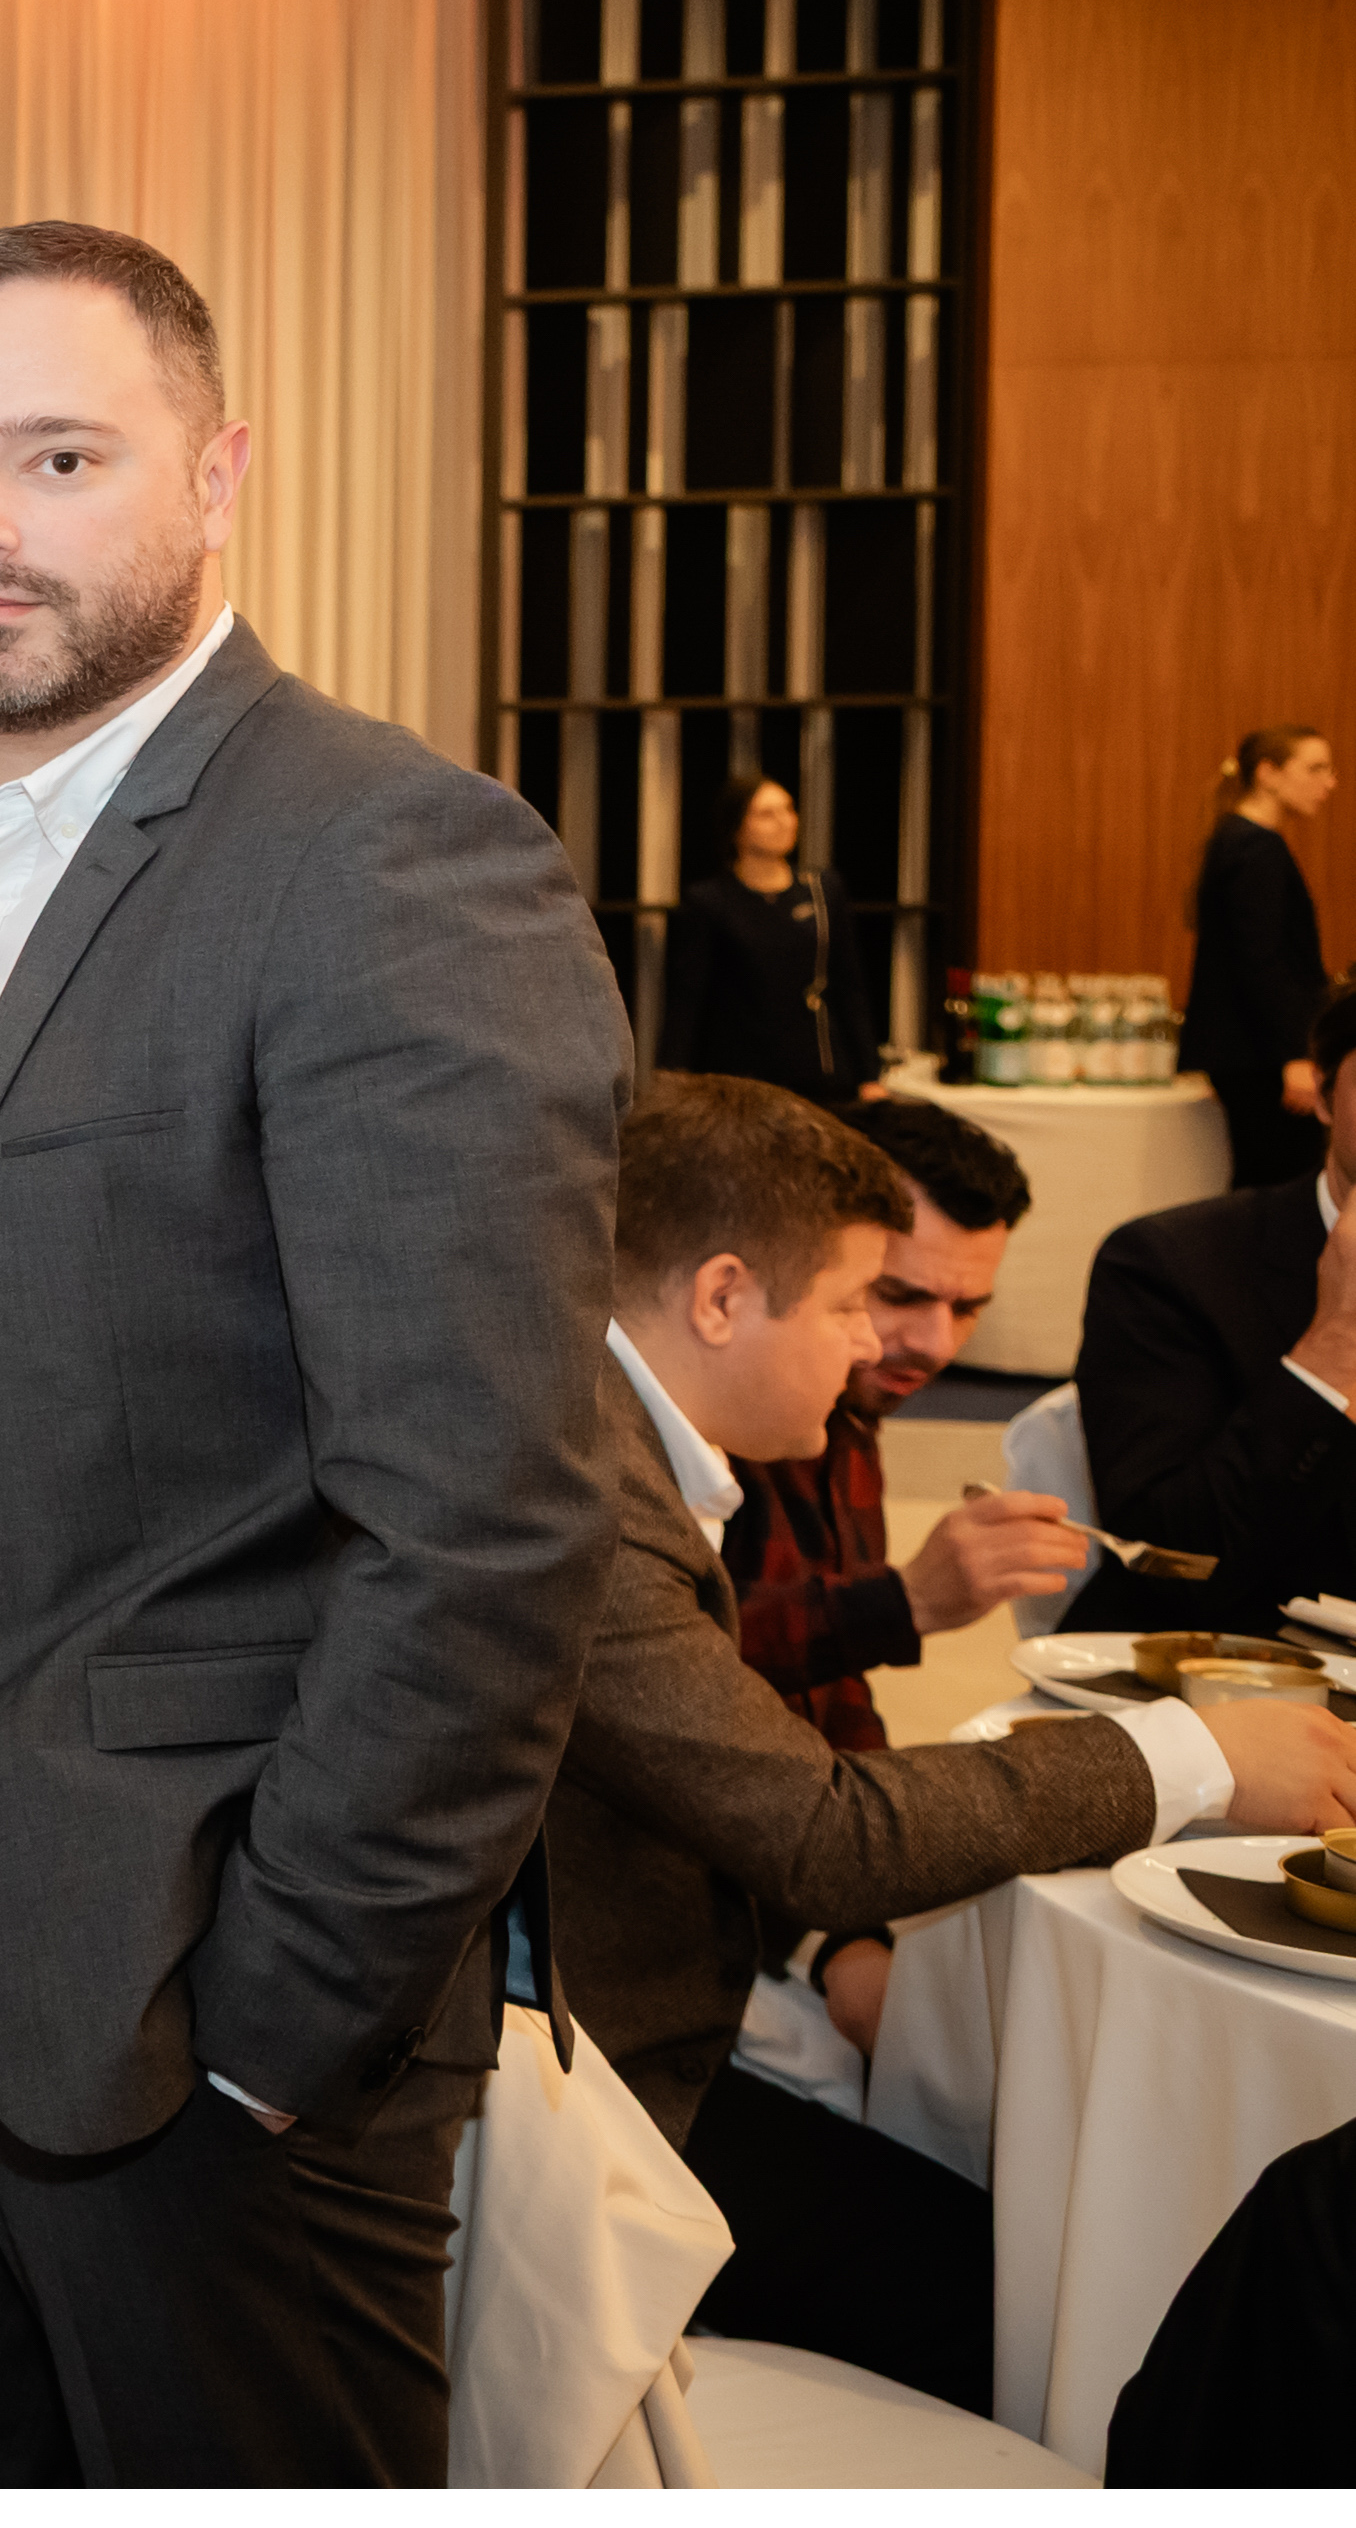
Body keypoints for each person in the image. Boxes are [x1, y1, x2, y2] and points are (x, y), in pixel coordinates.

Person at [0, 219, 626, 2486]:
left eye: (55, 456)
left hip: (188, 1989)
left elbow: (481, 1528)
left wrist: (281, 2016)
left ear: (215, 473)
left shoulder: (381, 860)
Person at [551, 1073, 1356, 2409]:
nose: (880, 1346)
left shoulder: (639, 1444)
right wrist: (1199, 1755)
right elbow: (818, 1828)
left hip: (632, 2032)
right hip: (583, 2098)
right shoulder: (589, 1496)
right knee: (1035, 2300)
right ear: (721, 1298)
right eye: (856, 1302)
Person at [722, 1094, 1087, 1745]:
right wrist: (906, 1601)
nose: (937, 1344)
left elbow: (834, 1697)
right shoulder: (698, 1419)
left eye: (968, 1308)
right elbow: (657, 1674)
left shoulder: (852, 1408)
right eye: (896, 1294)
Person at [1067, 973, 1356, 1629]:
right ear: (1323, 1093)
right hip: (1232, 1656)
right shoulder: (1170, 1265)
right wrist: (1336, 1346)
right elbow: (1170, 1560)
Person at [657, 770, 880, 1105]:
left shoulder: (822, 889)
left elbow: (850, 986)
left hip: (818, 1070)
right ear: (736, 827)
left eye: (788, 809)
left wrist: (869, 1075)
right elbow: (687, 1000)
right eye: (766, 814)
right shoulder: (709, 900)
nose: (784, 821)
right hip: (741, 1078)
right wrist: (670, 1082)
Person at [1182, 722, 1334, 1189]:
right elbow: (1260, 962)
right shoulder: (1255, 848)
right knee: (1280, 1188)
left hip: (1250, 1052)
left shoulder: (1241, 840)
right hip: (1261, 1055)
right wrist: (1295, 1054)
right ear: (1267, 773)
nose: (1329, 783)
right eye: (1315, 769)